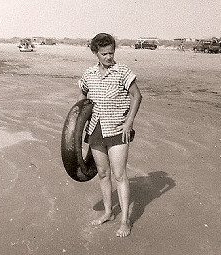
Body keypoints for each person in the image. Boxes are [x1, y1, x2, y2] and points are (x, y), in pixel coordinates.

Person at [78, 33, 142, 237]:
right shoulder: (88, 74)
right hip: (95, 130)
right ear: (95, 53)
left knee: (120, 175)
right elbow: (82, 99)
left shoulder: (122, 71)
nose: (109, 57)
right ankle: (108, 212)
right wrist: (79, 127)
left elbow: (137, 96)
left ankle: (125, 220)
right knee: (103, 173)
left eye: (111, 53)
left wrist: (129, 122)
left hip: (117, 130)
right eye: (104, 53)